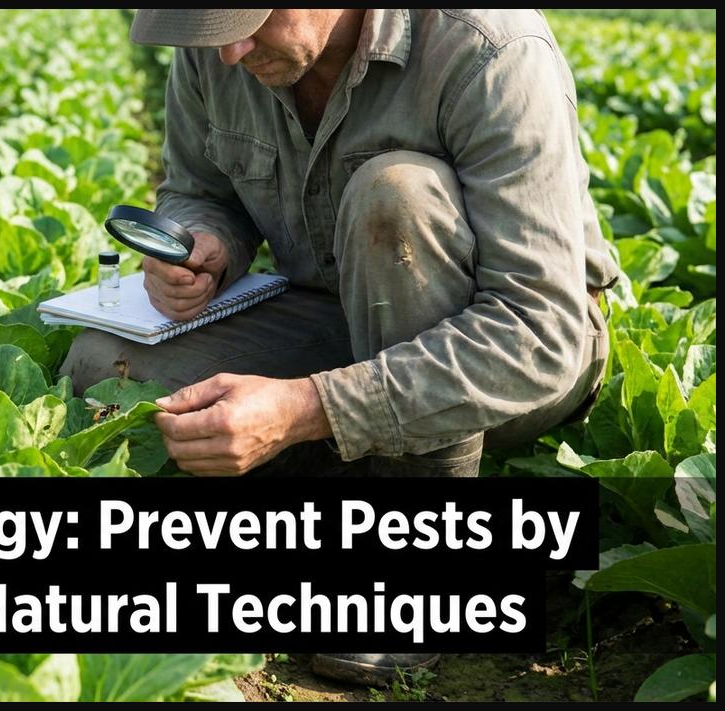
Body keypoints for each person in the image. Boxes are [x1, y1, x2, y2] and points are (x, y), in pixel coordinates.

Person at [60, 9, 617, 685]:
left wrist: (305, 408)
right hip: (327, 314)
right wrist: (203, 242)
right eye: (213, 29)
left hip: (504, 351)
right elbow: (195, 191)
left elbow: (538, 331)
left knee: (396, 197)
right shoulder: (218, 47)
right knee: (106, 369)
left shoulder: (488, 49)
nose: (231, 51)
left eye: (250, 19)